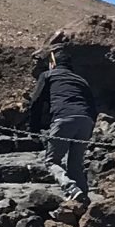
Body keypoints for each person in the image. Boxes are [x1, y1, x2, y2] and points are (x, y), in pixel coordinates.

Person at [28, 49, 99, 200]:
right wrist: (90, 127)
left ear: (53, 63)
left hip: (63, 118)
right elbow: (93, 107)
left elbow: (36, 102)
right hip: (86, 120)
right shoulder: (81, 80)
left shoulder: (48, 75)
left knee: (52, 161)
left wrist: (34, 129)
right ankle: (83, 199)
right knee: (76, 163)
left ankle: (70, 188)